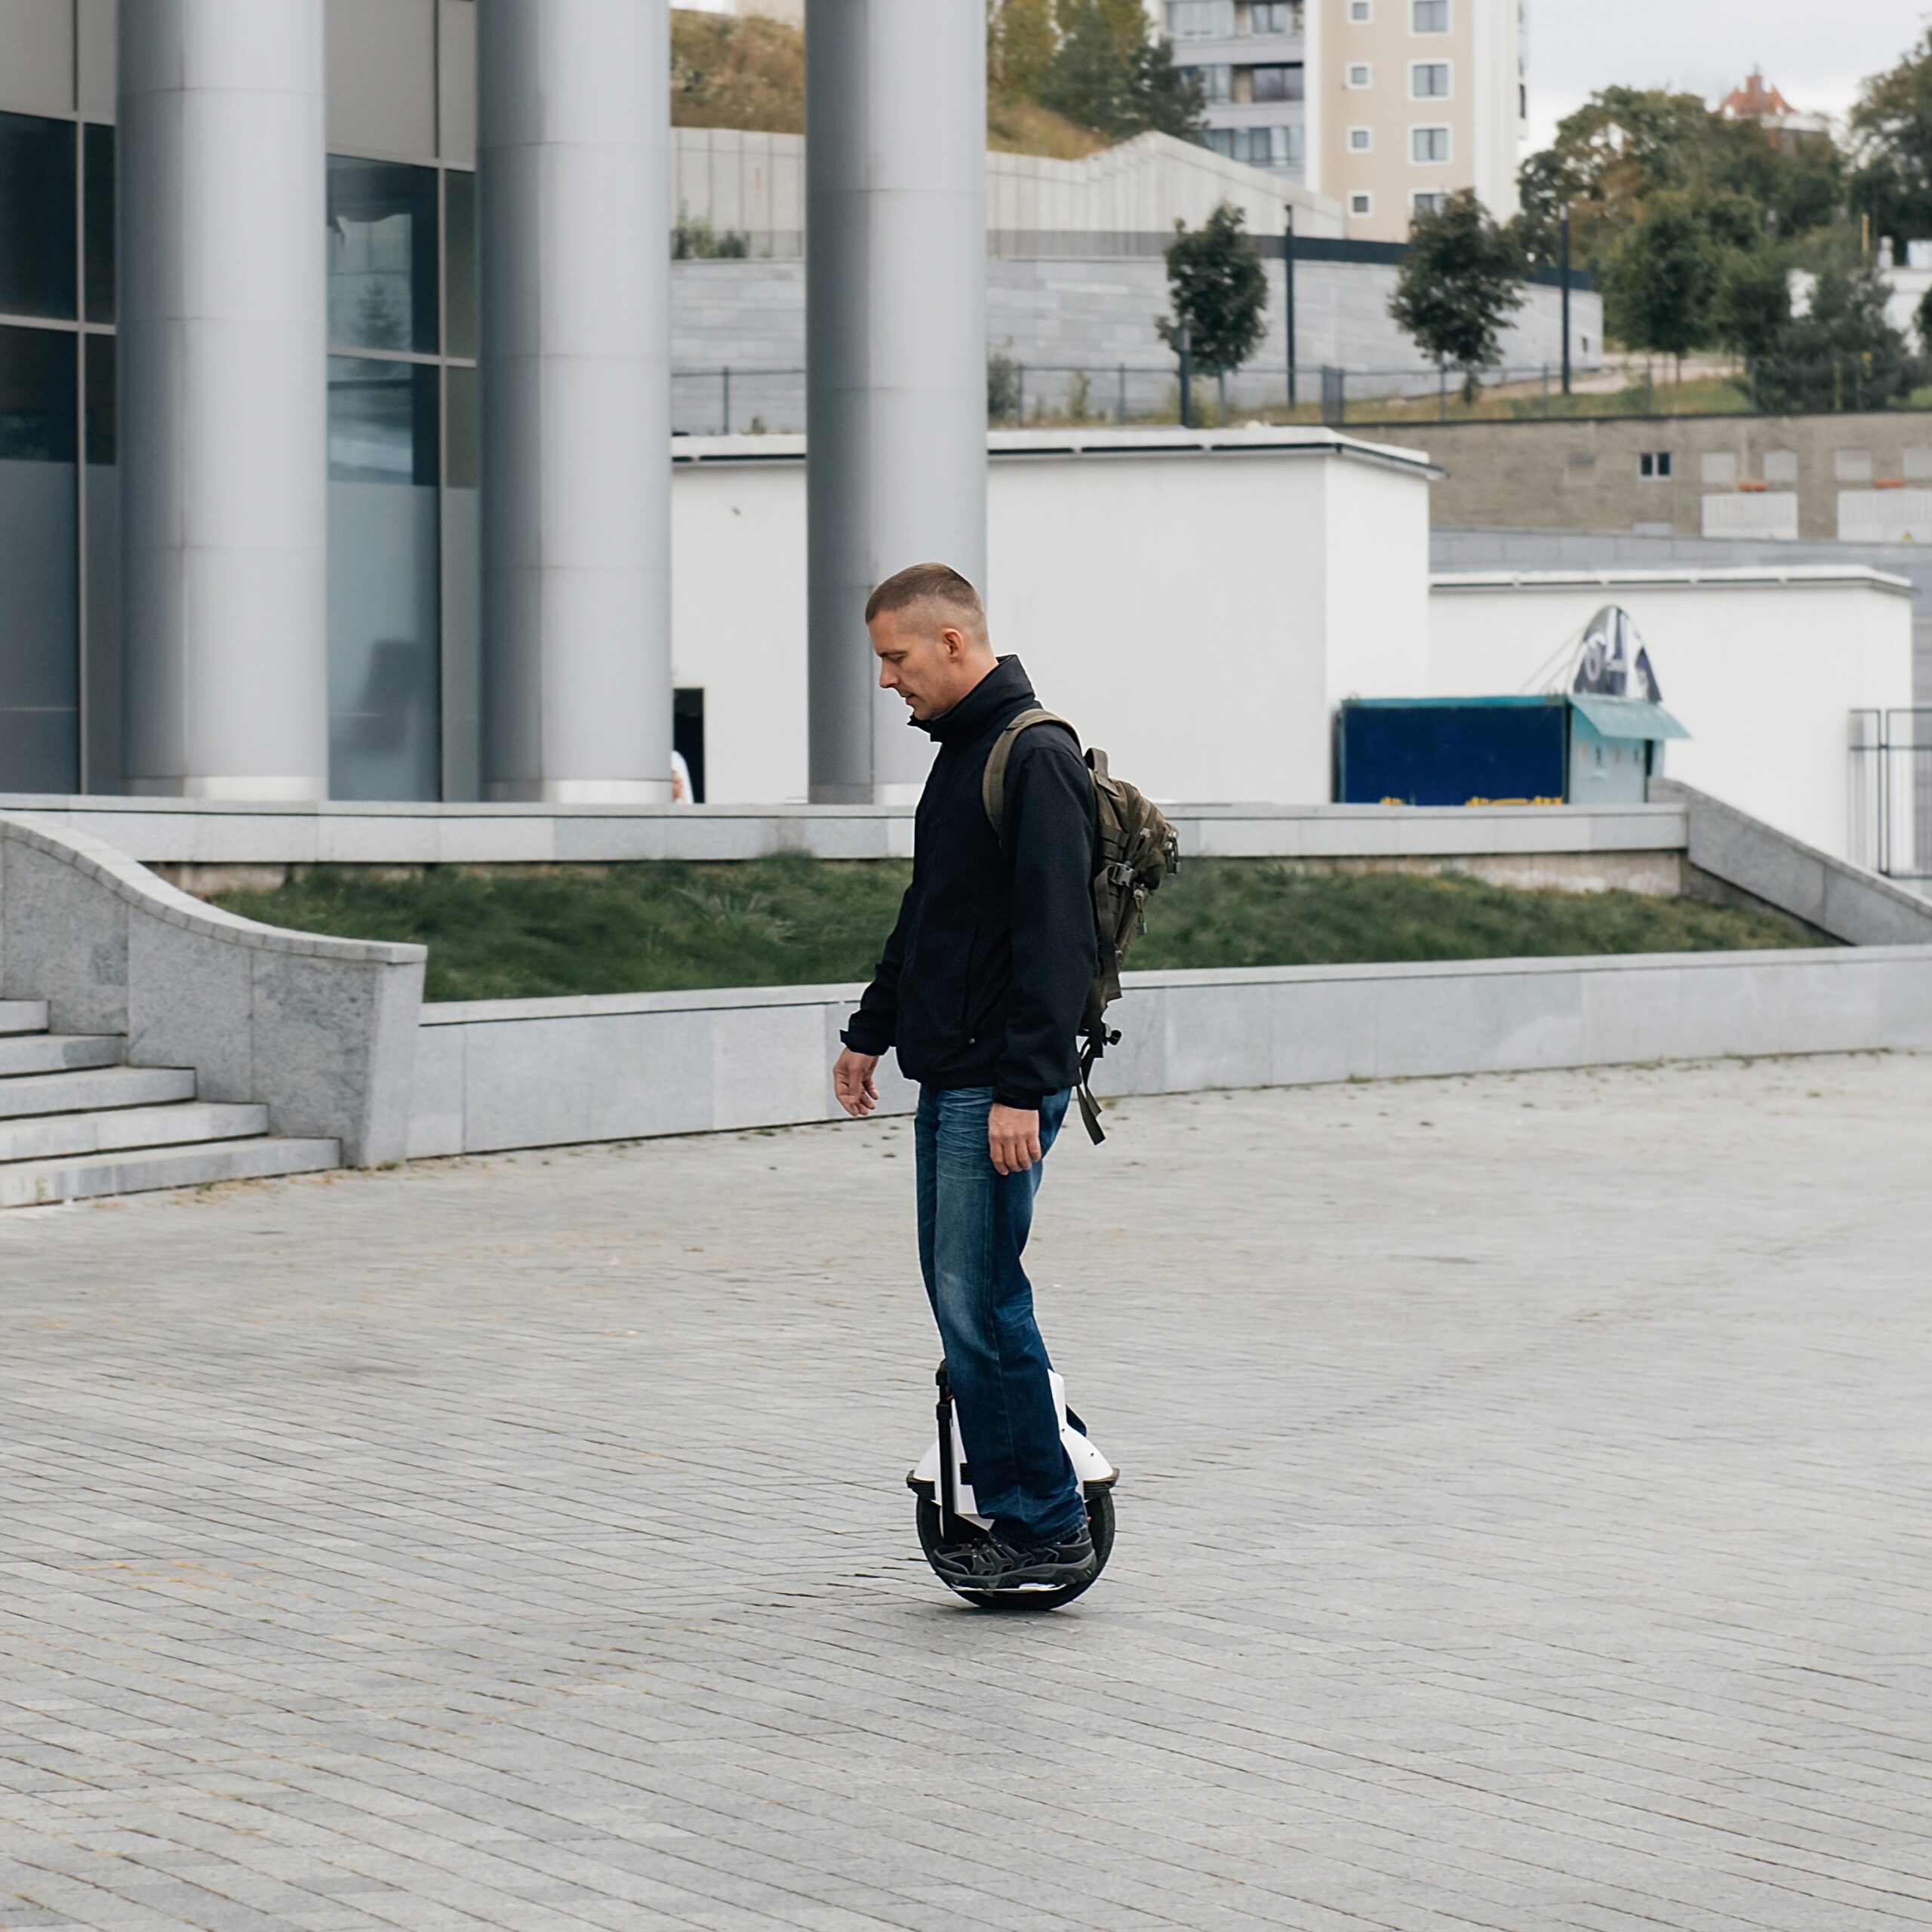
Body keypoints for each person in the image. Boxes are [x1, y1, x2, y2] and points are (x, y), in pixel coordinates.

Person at [832, 561, 1100, 1594]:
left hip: (997, 1089)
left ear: (954, 642)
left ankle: (1043, 1519)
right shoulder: (962, 757)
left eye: (897, 658)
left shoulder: (1034, 758)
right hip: (954, 1079)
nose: (888, 680)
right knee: (968, 1301)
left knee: (983, 1299)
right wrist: (871, 1030)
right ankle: (1035, 1475)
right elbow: (929, 917)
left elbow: (1057, 940)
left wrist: (1025, 1088)